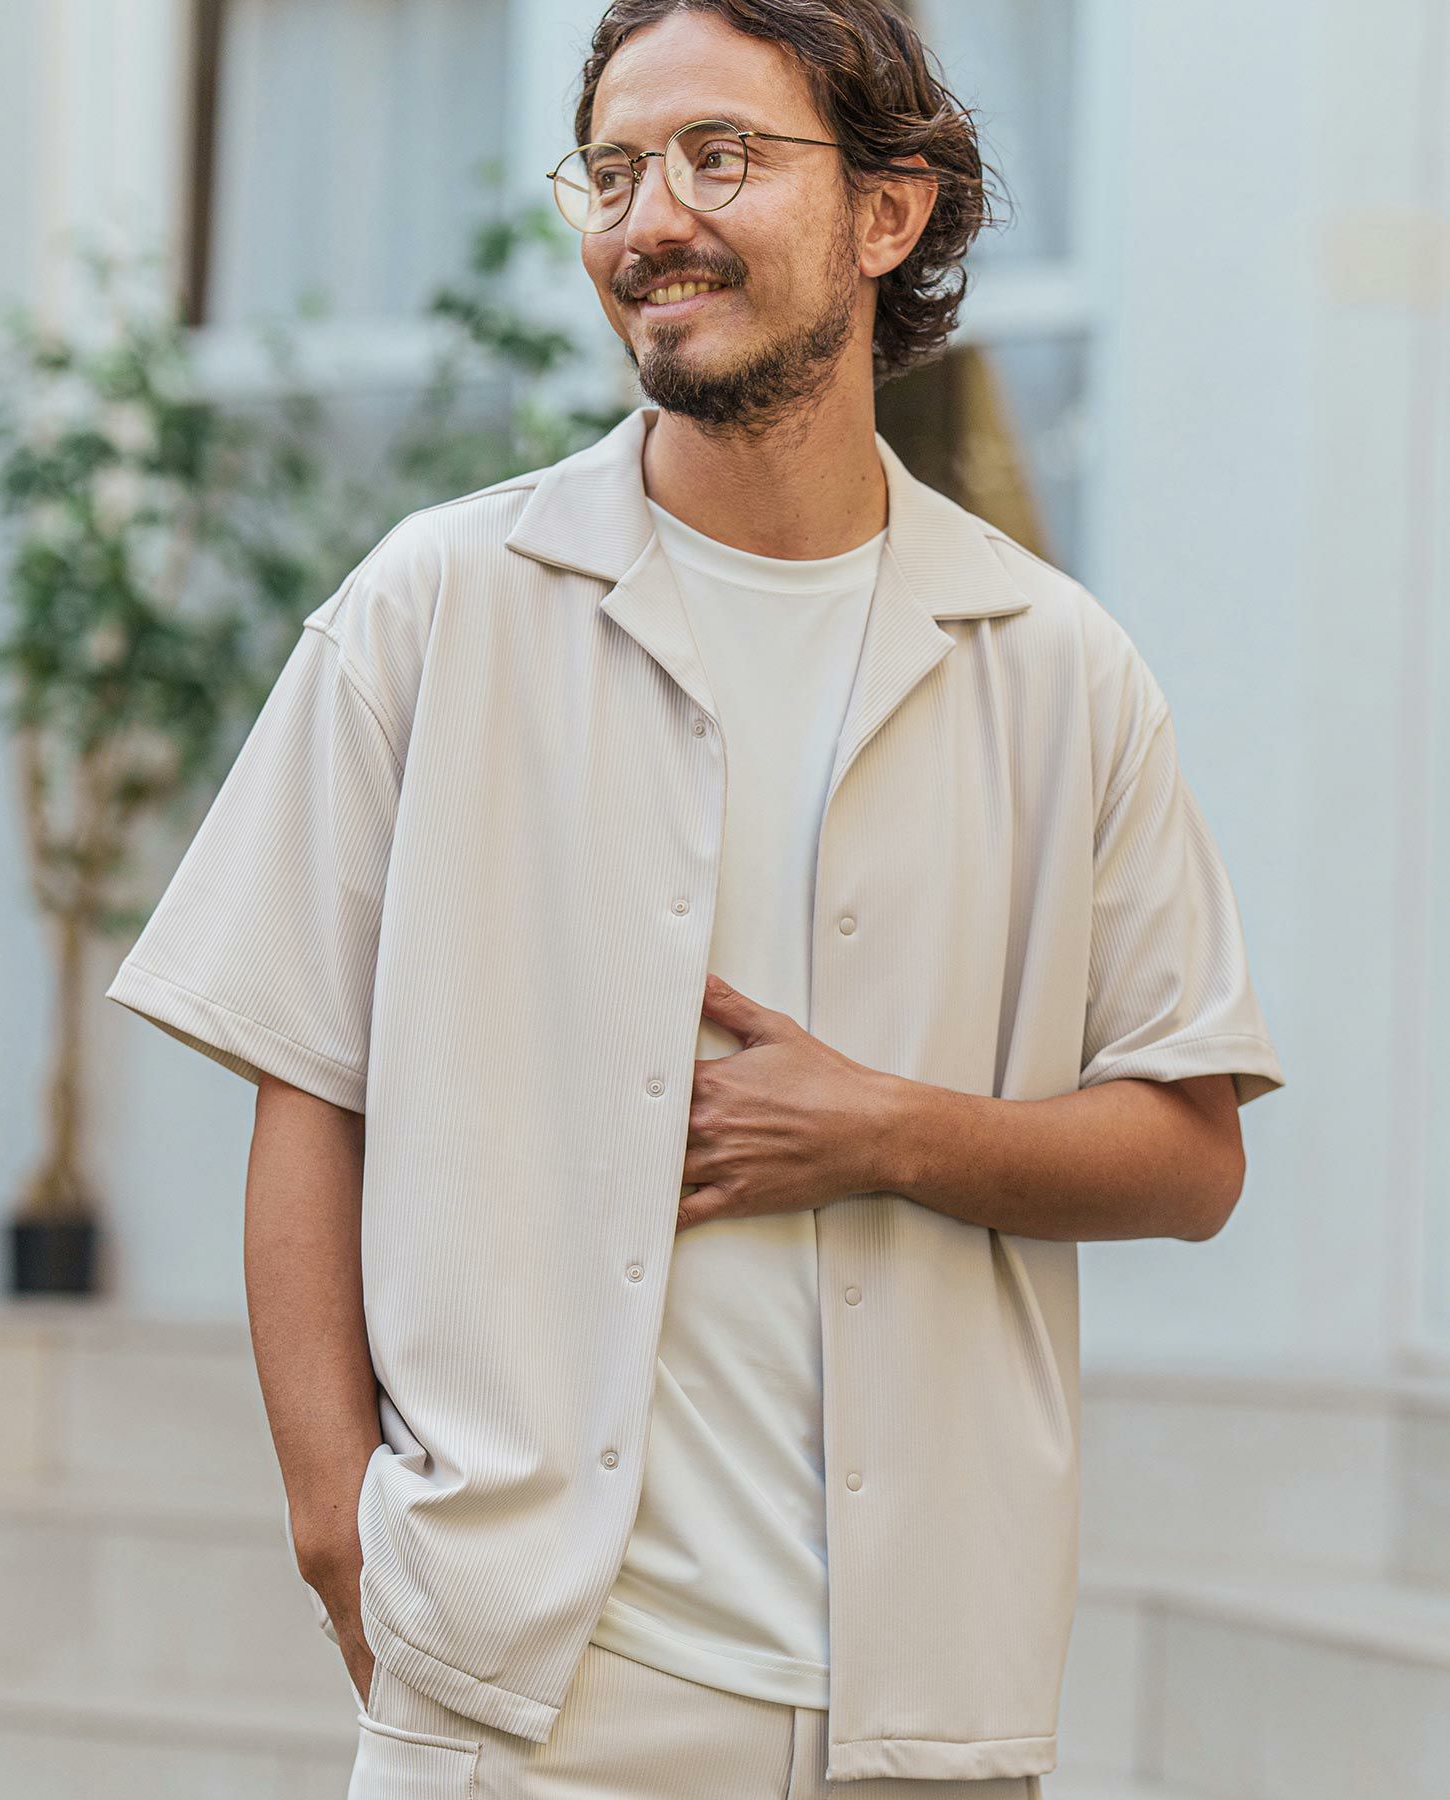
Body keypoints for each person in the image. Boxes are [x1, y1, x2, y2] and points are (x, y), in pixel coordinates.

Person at [106, 1, 1286, 1795]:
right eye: (614, 170)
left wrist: (885, 1130)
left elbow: (1192, 1156)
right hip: (535, 1699)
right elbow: (306, 1086)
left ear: (888, 210)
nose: (650, 220)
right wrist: (341, 1525)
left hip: (920, 1697)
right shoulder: (437, 606)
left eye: (721, 157)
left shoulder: (1057, 666)